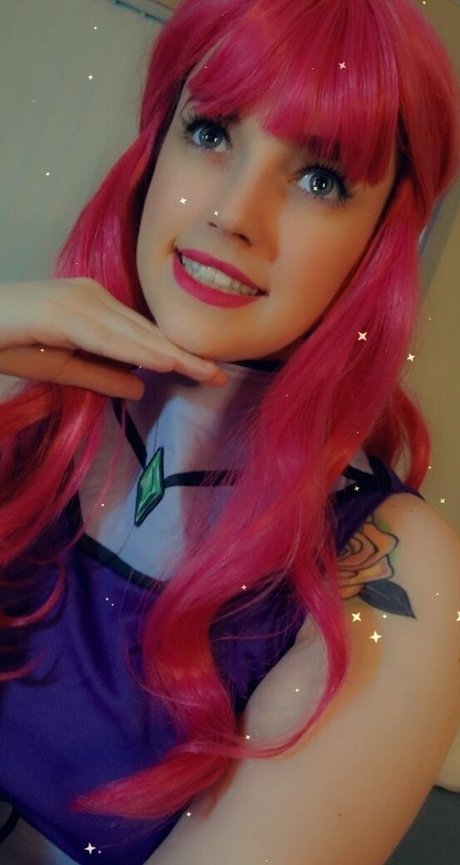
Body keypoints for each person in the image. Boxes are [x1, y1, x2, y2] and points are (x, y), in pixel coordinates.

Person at [0, 0, 459, 863]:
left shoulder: (394, 572)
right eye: (210, 131)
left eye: (320, 179)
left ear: (381, 239)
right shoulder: (45, 417)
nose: (234, 213)